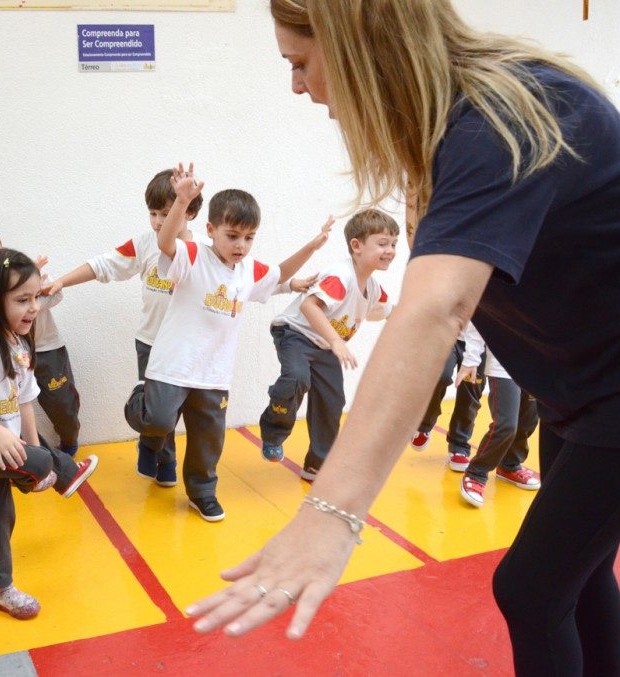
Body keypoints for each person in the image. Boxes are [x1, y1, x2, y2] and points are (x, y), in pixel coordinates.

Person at [188, 3, 620, 675]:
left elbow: (435, 307)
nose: (297, 87)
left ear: (356, 48)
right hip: (581, 395)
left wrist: (331, 512)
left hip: (609, 398)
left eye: (300, 63)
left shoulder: (503, 117)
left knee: (531, 591)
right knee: (578, 578)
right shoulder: (454, 134)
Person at [125, 165, 324, 521]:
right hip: (172, 364)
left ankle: (202, 492)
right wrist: (181, 201)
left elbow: (280, 274)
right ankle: (140, 397)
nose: (240, 245)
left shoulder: (249, 270)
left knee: (209, 437)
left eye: (249, 238)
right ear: (211, 230)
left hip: (213, 373)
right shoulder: (192, 255)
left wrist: (311, 246)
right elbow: (165, 243)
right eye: (232, 236)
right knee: (158, 421)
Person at [0, 249, 98, 619]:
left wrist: (33, 447)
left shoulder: (16, 339)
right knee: (38, 466)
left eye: (36, 298)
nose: (34, 308)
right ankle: (50, 473)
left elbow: (25, 399)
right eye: (22, 300)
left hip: (0, 444)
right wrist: (6, 441)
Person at [44, 168, 204, 486]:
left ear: (190, 211)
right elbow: (104, 264)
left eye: (166, 213)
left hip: (188, 347)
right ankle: (164, 457)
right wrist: (62, 280)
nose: (158, 221)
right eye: (153, 213)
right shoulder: (144, 244)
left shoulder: (205, 250)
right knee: (158, 412)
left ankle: (152, 445)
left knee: (177, 409)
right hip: (151, 342)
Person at [258, 209, 395, 477]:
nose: (390, 251)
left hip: (325, 346)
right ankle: (273, 433)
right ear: (356, 246)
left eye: (393, 244)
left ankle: (317, 464)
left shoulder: (374, 288)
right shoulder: (341, 276)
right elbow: (309, 306)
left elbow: (391, 311)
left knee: (332, 400)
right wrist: (336, 341)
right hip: (296, 334)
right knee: (297, 378)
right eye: (382, 243)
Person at [0, 226, 83, 458]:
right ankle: (39, 459)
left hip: (46, 349)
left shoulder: (26, 274)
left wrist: (28, 293)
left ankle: (67, 442)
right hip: (6, 354)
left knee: (62, 405)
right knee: (12, 409)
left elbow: (55, 295)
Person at [456, 334, 541, 507]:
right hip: (504, 365)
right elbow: (479, 321)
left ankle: (509, 465)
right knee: (506, 425)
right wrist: (471, 358)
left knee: (528, 420)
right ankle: (476, 473)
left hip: (537, 365)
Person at [409, 319, 485, 462]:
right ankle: (424, 423)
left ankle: (459, 445)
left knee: (470, 393)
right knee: (438, 376)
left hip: (480, 345)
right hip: (449, 336)